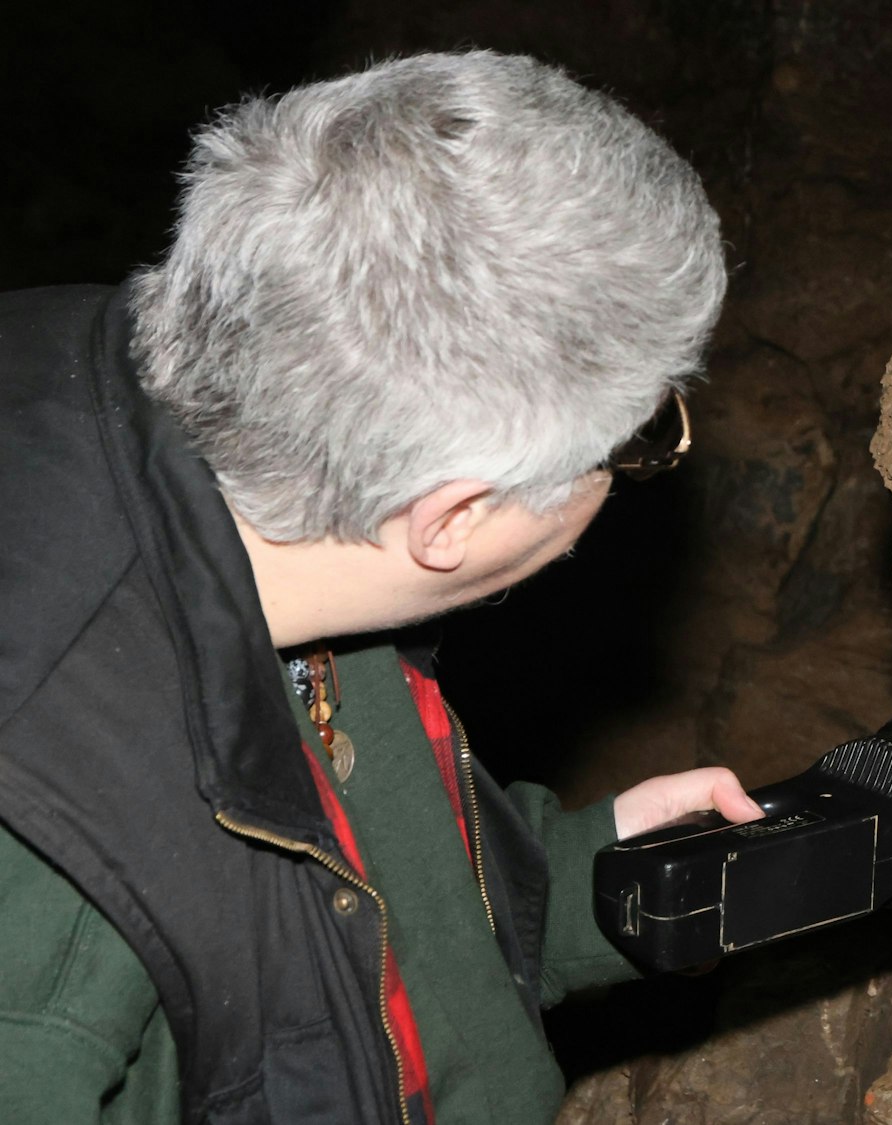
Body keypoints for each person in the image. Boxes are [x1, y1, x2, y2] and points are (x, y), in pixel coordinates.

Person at [0, 51, 764, 1124]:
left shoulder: (200, 436)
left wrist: (574, 879)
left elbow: (311, 916)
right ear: (449, 519)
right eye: (638, 439)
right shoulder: (50, 886)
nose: (646, 462)